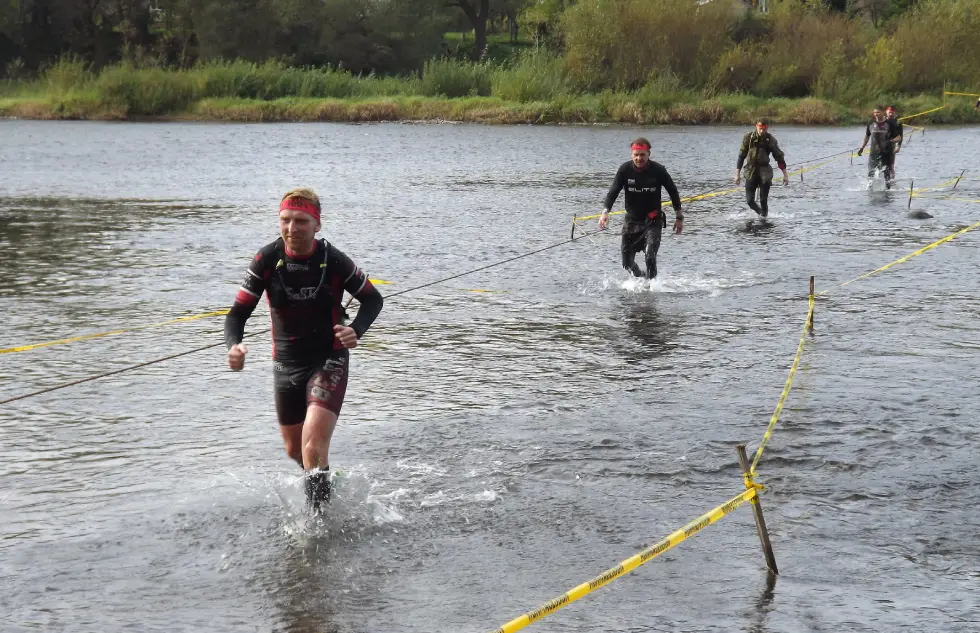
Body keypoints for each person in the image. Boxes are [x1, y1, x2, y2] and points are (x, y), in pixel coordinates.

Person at [224, 188, 383, 512]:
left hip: (329, 357)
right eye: (285, 220)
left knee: (312, 444)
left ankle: (317, 525)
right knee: (296, 451)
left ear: (316, 225)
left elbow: (372, 299)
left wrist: (356, 331)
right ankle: (325, 478)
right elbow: (236, 314)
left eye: (301, 221)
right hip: (286, 364)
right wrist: (234, 347)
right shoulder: (266, 260)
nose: (292, 228)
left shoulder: (333, 260)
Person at [598, 137, 683, 279]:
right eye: (636, 155)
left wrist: (679, 217)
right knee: (626, 263)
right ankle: (641, 278)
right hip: (632, 222)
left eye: (642, 155)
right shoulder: (624, 170)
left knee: (650, 257)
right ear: (632, 155)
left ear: (649, 154)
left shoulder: (659, 170)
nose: (639, 158)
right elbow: (613, 192)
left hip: (653, 221)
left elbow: (673, 191)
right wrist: (605, 212)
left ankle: (652, 287)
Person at [734, 118, 789, 218]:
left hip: (765, 172)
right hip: (750, 171)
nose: (762, 131)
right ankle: (761, 214)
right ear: (756, 126)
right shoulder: (748, 138)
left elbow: (779, 158)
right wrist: (737, 174)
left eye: (764, 128)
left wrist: (785, 175)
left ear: (767, 128)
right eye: (760, 128)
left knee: (763, 200)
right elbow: (741, 156)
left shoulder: (770, 140)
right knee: (750, 201)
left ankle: (764, 220)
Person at [857, 105, 900, 184]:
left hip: (886, 152)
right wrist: (862, 148)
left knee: (886, 173)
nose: (876, 114)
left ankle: (888, 189)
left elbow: (898, 138)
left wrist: (891, 141)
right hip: (873, 152)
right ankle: (869, 188)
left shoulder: (889, 124)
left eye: (878, 112)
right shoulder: (871, 123)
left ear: (883, 112)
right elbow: (867, 136)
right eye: (874, 112)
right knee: (871, 172)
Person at [885, 105, 904, 177]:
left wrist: (898, 146)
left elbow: (900, 136)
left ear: (894, 113)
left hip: (892, 145)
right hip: (882, 145)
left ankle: (892, 180)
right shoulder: (883, 121)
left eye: (892, 113)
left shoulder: (898, 122)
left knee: (891, 165)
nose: (891, 114)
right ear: (886, 112)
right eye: (889, 112)